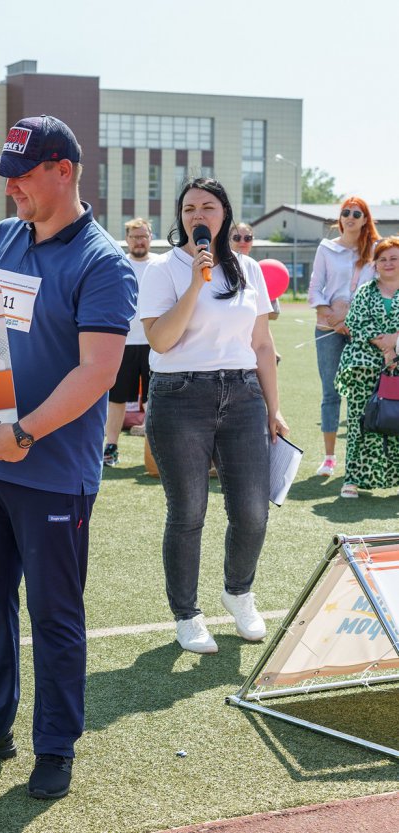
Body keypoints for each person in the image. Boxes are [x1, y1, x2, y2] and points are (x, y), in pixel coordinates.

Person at [0, 115, 136, 801]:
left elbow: (97, 372)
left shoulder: (103, 262)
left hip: (49, 468)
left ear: (63, 170)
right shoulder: (1, 237)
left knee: (53, 613)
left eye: (22, 173)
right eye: (5, 174)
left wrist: (28, 431)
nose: (10, 186)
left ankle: (55, 745)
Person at [140, 178, 288, 656]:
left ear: (223, 214)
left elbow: (262, 345)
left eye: (207, 206)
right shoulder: (163, 269)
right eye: (188, 208)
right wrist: (195, 283)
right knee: (188, 512)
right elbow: (161, 341)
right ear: (180, 217)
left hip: (243, 395)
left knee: (252, 510)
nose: (197, 215)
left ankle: (238, 591)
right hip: (180, 396)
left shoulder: (247, 268)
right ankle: (187, 614)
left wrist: (275, 409)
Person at [308, 197, 380, 478]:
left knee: (364, 394)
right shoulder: (326, 248)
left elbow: (380, 288)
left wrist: (354, 318)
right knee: (330, 393)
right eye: (345, 213)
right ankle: (329, 458)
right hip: (329, 329)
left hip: (364, 332)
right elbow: (315, 288)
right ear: (340, 219)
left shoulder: (376, 249)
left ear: (365, 219)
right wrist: (332, 317)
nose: (350, 217)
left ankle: (362, 456)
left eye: (356, 213)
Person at [334, 237, 399, 499]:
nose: (388, 263)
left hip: (396, 368)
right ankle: (352, 478)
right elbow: (356, 322)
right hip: (363, 367)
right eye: (382, 259)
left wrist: (395, 341)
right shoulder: (365, 291)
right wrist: (387, 347)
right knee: (360, 422)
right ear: (375, 265)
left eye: (393, 258)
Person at [103, 218, 154, 467]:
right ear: (127, 239)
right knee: (117, 398)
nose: (139, 241)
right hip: (122, 342)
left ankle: (156, 452)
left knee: (155, 398)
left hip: (155, 341)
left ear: (151, 237)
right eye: (135, 237)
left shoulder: (160, 265)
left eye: (143, 236)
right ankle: (111, 448)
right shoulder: (117, 264)